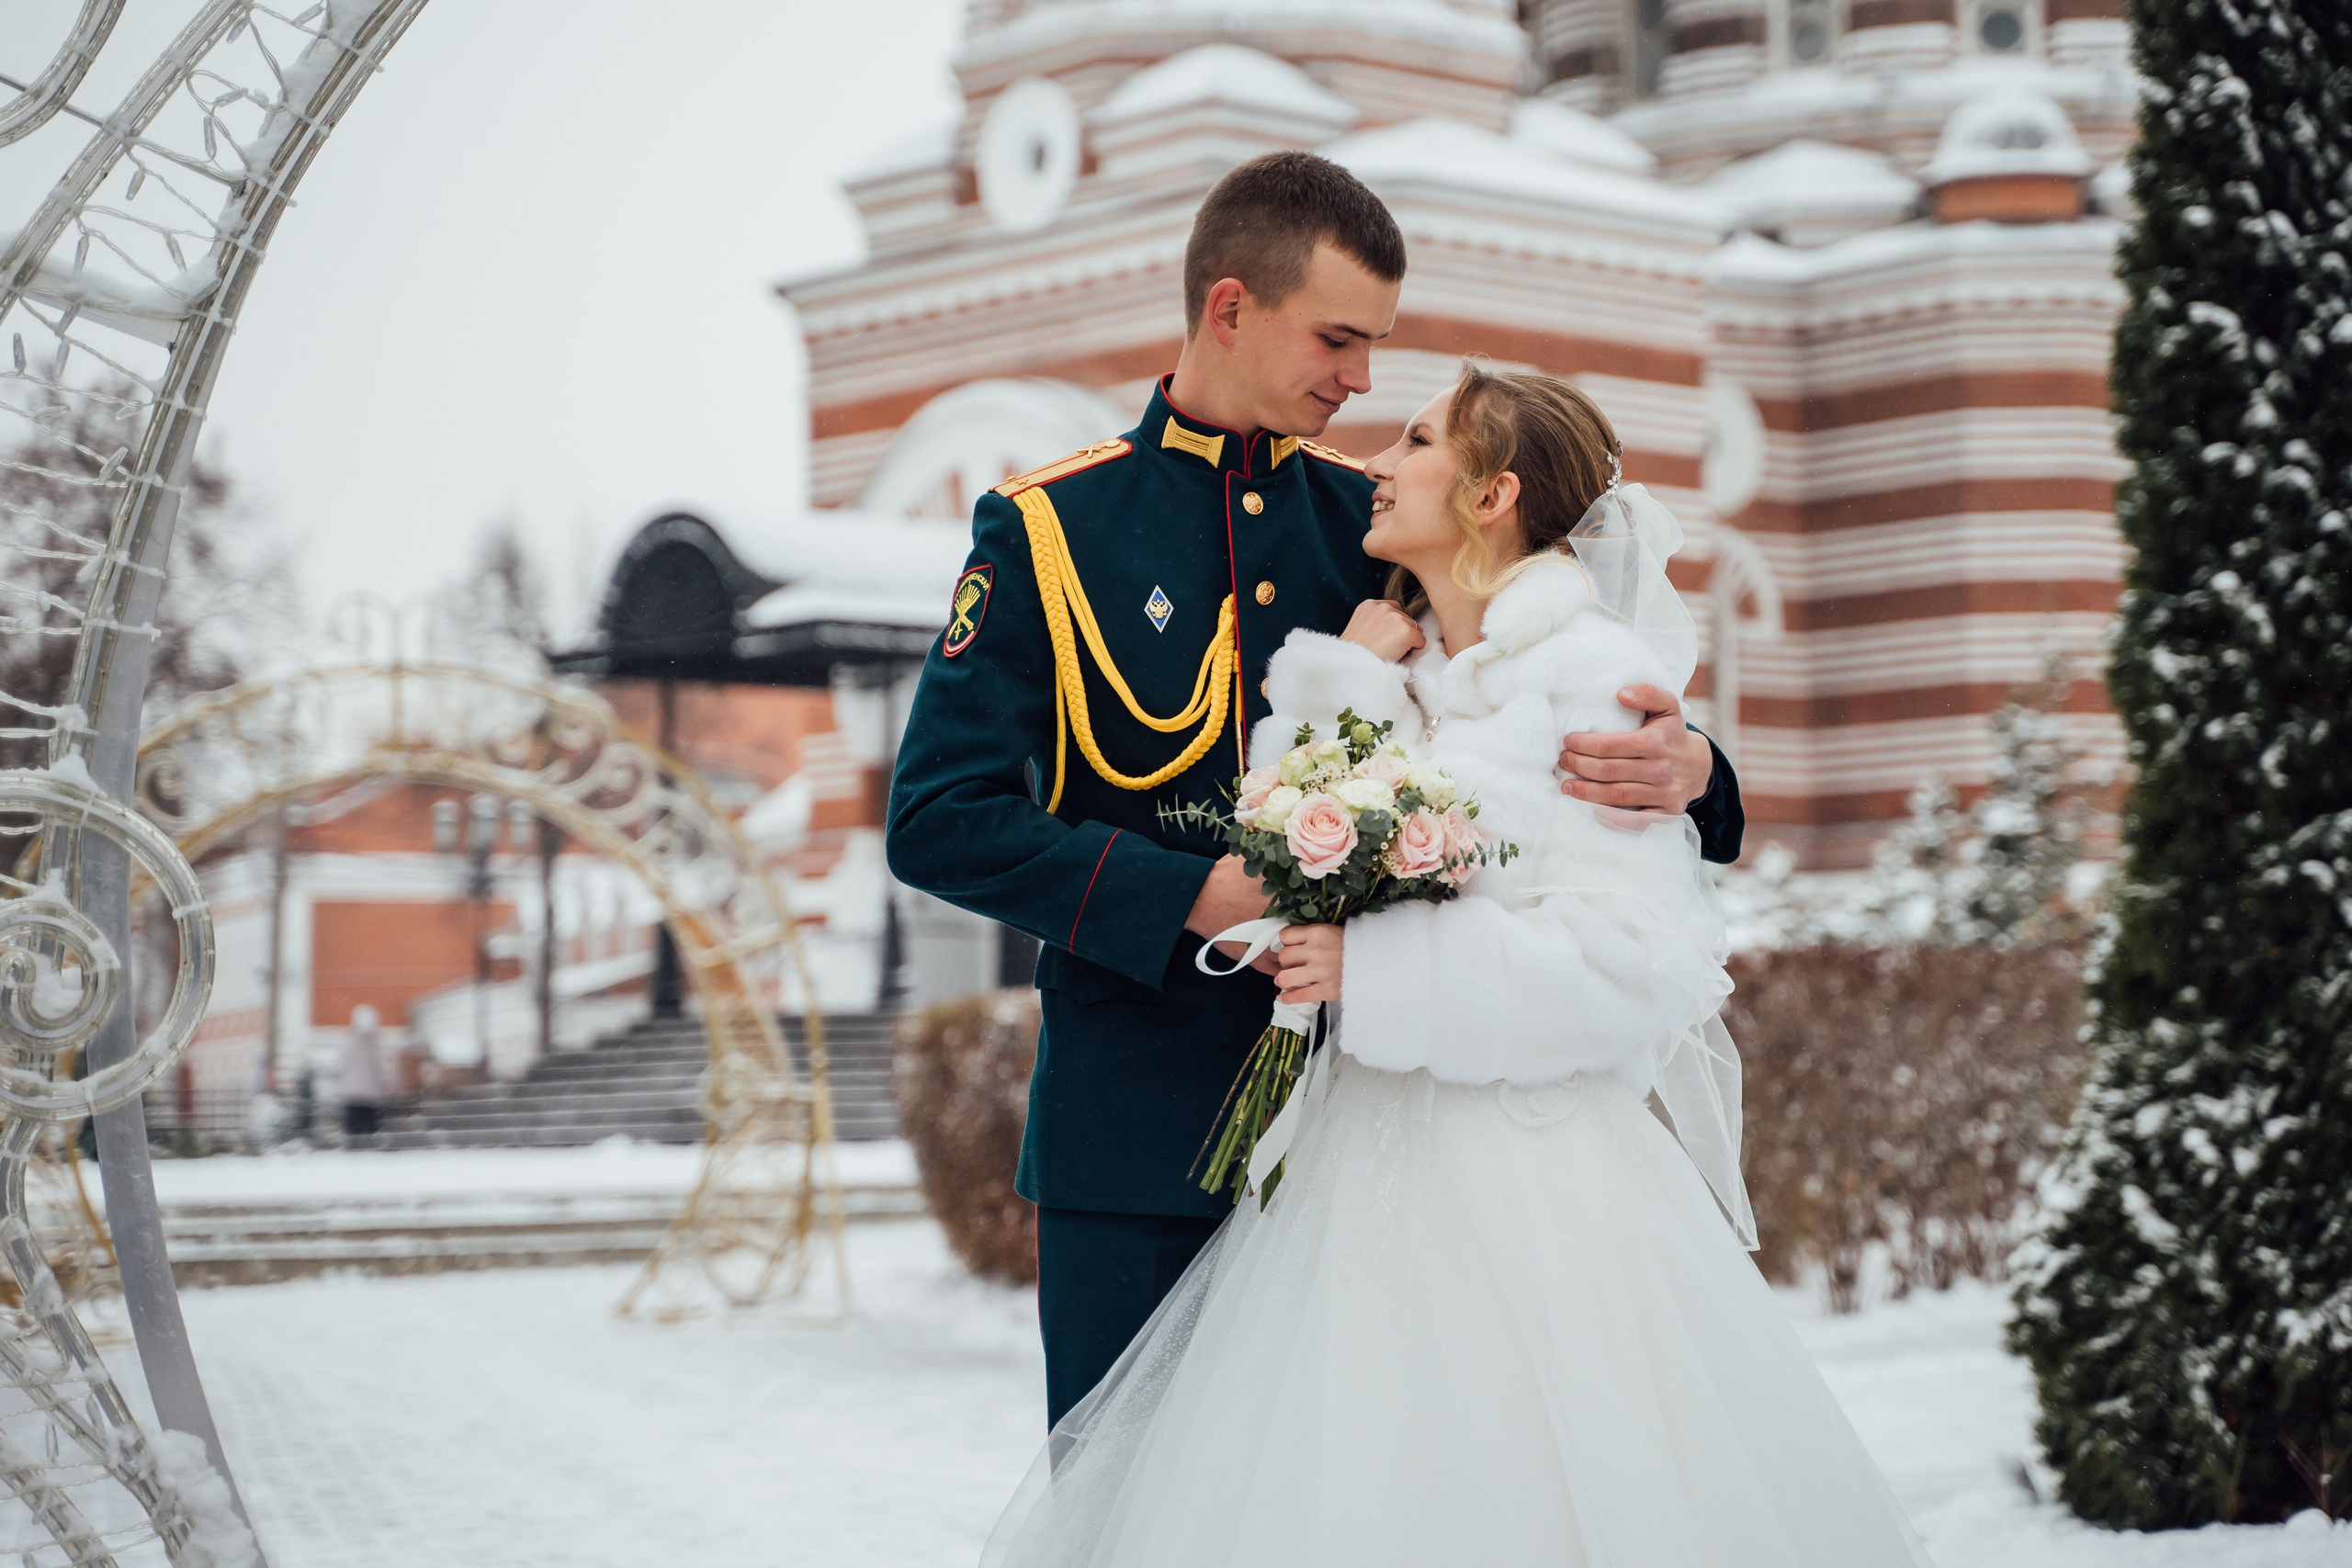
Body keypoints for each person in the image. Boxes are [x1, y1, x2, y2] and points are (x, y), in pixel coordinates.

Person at [979, 363, 1928, 1568]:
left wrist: (1378, 977)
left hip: (1523, 1191)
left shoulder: (1586, 674)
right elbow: (1296, 835)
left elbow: (1632, 956)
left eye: (1420, 437)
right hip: (1349, 1167)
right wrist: (1352, 681)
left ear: (1494, 495)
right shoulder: (1418, 670)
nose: (1379, 452)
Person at [886, 151, 1745, 1430]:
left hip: (1385, 1131)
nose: (1359, 382)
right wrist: (1191, 894)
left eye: (1376, 350)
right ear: (1231, 307)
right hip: (1142, 1133)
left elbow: (1538, 702)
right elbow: (939, 816)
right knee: (1139, 1517)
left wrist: (1701, 771)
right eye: (1338, 340)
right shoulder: (1050, 527)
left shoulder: (1378, 516)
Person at [336, 1003, 391, 1143]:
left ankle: (352, 1152)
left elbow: (339, 1066)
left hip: (351, 1095)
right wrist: (386, 1084)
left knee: (353, 1133)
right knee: (368, 1134)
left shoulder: (347, 1042)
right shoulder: (376, 1045)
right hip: (371, 1096)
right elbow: (382, 1069)